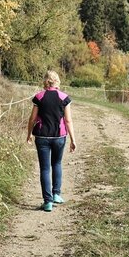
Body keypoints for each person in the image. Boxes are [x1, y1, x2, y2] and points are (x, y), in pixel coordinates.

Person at [26, 70, 76, 212]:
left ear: (45, 81)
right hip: (59, 137)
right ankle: (56, 195)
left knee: (45, 168)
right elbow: (68, 120)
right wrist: (73, 139)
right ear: (57, 81)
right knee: (57, 164)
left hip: (42, 137)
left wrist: (29, 134)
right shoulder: (64, 98)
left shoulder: (39, 97)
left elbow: (32, 119)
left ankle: (47, 202)